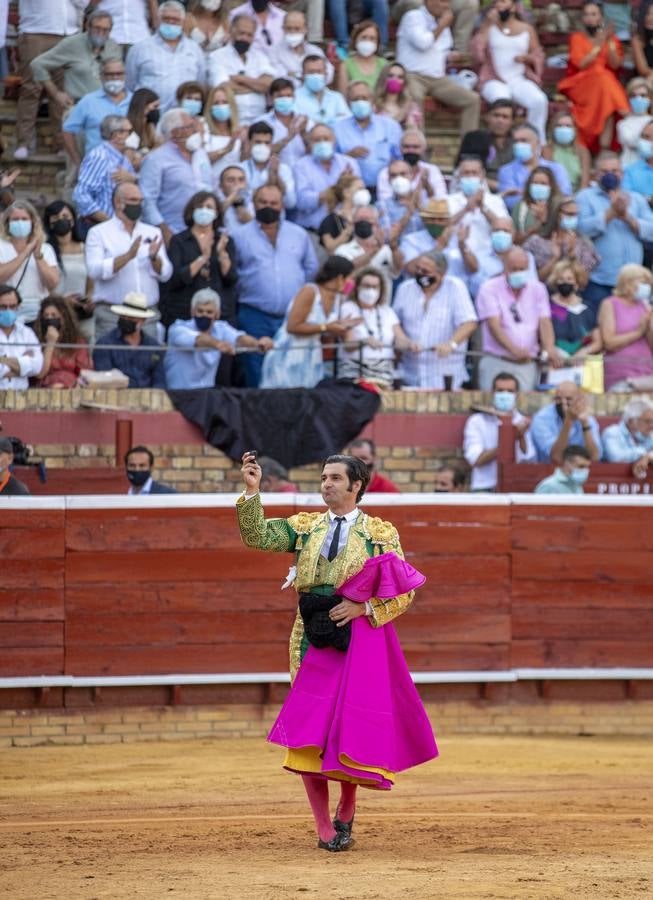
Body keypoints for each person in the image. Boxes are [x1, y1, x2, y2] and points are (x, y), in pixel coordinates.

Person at [236, 451, 437, 851]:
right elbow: (258, 537)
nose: (325, 483)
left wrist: (366, 608)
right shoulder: (306, 526)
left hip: (356, 636)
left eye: (334, 478)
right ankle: (323, 827)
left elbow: (405, 589)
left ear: (355, 485)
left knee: (345, 726)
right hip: (308, 632)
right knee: (309, 728)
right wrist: (252, 492)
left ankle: (346, 804)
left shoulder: (381, 533)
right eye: (323, 476)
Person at [233, 183, 318, 386]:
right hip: (254, 314)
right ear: (254, 203)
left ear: (282, 206)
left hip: (292, 317)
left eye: (274, 203)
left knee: (291, 370)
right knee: (256, 372)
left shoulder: (298, 234)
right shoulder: (239, 236)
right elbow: (232, 274)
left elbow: (310, 268)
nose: (268, 206)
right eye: (263, 202)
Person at [85, 182, 172, 338]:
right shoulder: (98, 233)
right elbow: (94, 270)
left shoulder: (153, 232)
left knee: (147, 360)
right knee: (110, 359)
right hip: (111, 315)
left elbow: (165, 273)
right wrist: (128, 256)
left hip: (147, 315)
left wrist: (154, 258)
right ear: (118, 203)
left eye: (140, 201)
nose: (138, 205)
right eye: (133, 200)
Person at [260, 255, 357, 388]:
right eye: (350, 278)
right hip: (290, 354)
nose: (351, 282)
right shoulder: (310, 291)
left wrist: (339, 328)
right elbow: (292, 326)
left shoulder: (337, 299)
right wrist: (326, 327)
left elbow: (325, 335)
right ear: (340, 278)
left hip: (312, 358)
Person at [577, 153, 653, 314]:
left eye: (615, 170)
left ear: (622, 174)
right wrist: (610, 213)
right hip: (599, 282)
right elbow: (582, 228)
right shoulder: (585, 197)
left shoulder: (636, 199)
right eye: (604, 171)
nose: (610, 175)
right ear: (596, 174)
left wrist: (627, 217)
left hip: (634, 283)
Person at [393, 250, 477, 390]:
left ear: (441, 274)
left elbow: (470, 323)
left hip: (445, 375)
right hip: (411, 374)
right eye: (417, 269)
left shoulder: (455, 287)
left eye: (425, 271)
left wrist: (451, 344)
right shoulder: (405, 289)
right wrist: (406, 342)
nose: (420, 274)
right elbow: (394, 324)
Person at [12, 0, 85, 160]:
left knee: (62, 92)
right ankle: (23, 143)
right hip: (35, 31)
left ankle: (61, 144)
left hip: (67, 33)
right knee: (31, 89)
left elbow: (83, 3)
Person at [396, 0, 481, 137]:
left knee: (472, 99)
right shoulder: (413, 16)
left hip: (437, 78)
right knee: (414, 99)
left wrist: (450, 56)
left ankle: (468, 150)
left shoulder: (441, 22)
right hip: (413, 75)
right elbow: (423, 43)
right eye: (442, 1)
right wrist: (442, 25)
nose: (446, 6)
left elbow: (441, 50)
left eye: (448, 2)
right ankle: (418, 150)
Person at [165, 287, 273, 389]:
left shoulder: (221, 328)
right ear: (192, 312)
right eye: (200, 311)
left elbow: (240, 338)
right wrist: (218, 344)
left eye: (209, 312)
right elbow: (199, 339)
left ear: (217, 314)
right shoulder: (178, 328)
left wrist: (258, 344)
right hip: (179, 394)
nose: (204, 315)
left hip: (207, 396)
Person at [471, 0, 547, 143]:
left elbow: (538, 56)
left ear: (513, 6)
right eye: (497, 2)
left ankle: (536, 142)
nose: (499, 5)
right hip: (492, 79)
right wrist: (486, 26)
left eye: (503, 1)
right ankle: (500, 143)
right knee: (502, 100)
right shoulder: (488, 27)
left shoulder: (527, 29)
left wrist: (527, 58)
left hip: (519, 79)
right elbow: (477, 55)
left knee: (539, 100)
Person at [559, 1, 629, 153]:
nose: (590, 18)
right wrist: (599, 44)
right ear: (582, 19)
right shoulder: (577, 38)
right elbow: (582, 64)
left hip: (603, 87)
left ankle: (604, 148)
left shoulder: (611, 39)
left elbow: (615, 64)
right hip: (581, 83)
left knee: (606, 95)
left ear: (601, 18)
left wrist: (609, 42)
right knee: (602, 75)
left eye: (594, 14)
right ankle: (623, 108)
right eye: (586, 14)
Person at [161, 191, 237, 332]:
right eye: (200, 206)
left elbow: (231, 279)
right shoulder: (179, 241)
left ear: (216, 213)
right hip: (184, 313)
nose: (204, 210)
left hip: (218, 317)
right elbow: (175, 279)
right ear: (192, 211)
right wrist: (203, 258)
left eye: (209, 207)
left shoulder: (225, 240)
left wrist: (222, 255)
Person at [337, 266, 418, 386]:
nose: (371, 290)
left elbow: (400, 338)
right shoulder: (348, 308)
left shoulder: (387, 311)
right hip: (354, 369)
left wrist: (410, 344)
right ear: (357, 287)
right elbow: (348, 344)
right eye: (366, 286)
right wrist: (364, 341)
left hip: (383, 371)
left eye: (375, 287)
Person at [140, 108, 213, 241]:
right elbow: (147, 199)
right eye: (190, 126)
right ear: (176, 132)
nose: (196, 130)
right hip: (173, 231)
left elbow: (209, 186)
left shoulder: (200, 154)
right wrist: (164, 229)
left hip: (204, 229)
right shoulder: (156, 159)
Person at [125, 0, 205, 112]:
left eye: (175, 20)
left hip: (185, 117)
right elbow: (130, 85)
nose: (171, 23)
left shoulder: (195, 50)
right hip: (151, 116)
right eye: (166, 19)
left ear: (183, 22)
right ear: (158, 19)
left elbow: (200, 83)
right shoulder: (139, 49)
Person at [463, 371, 535, 492]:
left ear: (517, 394)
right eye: (500, 390)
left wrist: (520, 437)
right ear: (493, 392)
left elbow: (528, 459)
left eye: (510, 391)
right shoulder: (477, 421)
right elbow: (476, 460)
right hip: (484, 487)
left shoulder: (522, 421)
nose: (505, 394)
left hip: (515, 486)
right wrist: (510, 439)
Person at [61, 57, 132, 172]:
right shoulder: (89, 101)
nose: (115, 77)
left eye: (119, 73)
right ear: (101, 76)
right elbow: (67, 130)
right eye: (110, 74)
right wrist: (78, 162)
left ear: (125, 75)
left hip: (128, 167)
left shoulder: (135, 101)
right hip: (96, 167)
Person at [333, 81, 402, 193]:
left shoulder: (391, 126)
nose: (360, 102)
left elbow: (400, 158)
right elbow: (330, 162)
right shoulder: (337, 129)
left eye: (364, 98)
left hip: (385, 190)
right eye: (355, 99)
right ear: (348, 102)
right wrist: (348, 156)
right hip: (351, 192)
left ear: (372, 100)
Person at [208, 14, 275, 126]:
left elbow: (268, 85)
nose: (245, 38)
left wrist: (240, 79)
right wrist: (256, 86)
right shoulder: (217, 57)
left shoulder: (260, 57)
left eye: (249, 35)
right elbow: (223, 87)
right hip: (231, 121)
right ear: (231, 32)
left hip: (260, 119)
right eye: (241, 33)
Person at [0, 201, 60, 325]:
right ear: (7, 223)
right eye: (15, 219)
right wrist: (26, 252)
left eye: (24, 219)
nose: (20, 222)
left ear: (32, 222)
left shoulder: (46, 249)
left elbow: (53, 283)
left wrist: (38, 256)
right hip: (6, 309)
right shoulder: (1, 246)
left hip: (37, 312)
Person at [293, 124, 362, 232]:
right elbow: (301, 201)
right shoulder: (301, 166)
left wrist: (341, 189)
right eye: (317, 140)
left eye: (326, 138)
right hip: (313, 231)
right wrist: (336, 188)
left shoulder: (349, 163)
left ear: (334, 141)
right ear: (310, 144)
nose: (322, 143)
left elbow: (358, 196)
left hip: (344, 230)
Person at [42, 201, 93, 341]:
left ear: (73, 220)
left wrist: (89, 298)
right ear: (49, 222)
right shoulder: (45, 250)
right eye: (56, 217)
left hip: (82, 314)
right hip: (55, 313)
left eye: (65, 216)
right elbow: (44, 283)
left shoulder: (85, 247)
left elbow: (91, 278)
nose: (61, 220)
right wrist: (64, 301)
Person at [598, 264, 653, 392]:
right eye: (643, 282)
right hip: (620, 374)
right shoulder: (610, 304)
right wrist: (639, 332)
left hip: (647, 373)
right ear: (627, 282)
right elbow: (609, 343)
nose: (647, 287)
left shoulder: (646, 307)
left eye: (648, 283)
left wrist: (649, 328)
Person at [73, 115, 136, 226]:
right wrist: (108, 221)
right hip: (99, 225)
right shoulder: (99, 156)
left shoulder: (123, 157)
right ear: (117, 134)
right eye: (129, 131)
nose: (133, 135)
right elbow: (81, 194)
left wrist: (132, 179)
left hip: (120, 225)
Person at [93, 291, 166, 388]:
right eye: (123, 316)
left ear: (142, 321)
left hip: (149, 399)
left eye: (131, 317)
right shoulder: (104, 344)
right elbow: (105, 381)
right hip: (115, 399)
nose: (126, 320)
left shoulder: (153, 346)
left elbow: (159, 381)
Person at [522, 196, 599, 285]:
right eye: (569, 214)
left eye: (576, 214)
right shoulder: (536, 242)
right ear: (557, 214)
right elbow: (535, 279)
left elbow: (583, 282)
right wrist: (554, 258)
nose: (573, 218)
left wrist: (572, 255)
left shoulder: (583, 243)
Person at [498, 123, 572, 212]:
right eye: (516, 141)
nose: (519, 144)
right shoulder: (506, 171)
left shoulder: (557, 169)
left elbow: (565, 195)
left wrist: (525, 195)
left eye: (524, 141)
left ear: (538, 143)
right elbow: (510, 202)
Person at [530, 381, 602, 464]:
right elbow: (557, 457)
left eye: (568, 399)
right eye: (558, 399)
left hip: (581, 471)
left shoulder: (588, 419)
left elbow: (595, 457)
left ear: (579, 399)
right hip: (548, 472)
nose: (563, 403)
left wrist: (585, 424)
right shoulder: (542, 419)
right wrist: (568, 421)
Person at [33, 295, 92, 388]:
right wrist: (50, 343)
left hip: (73, 388)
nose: (49, 319)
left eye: (54, 315)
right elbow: (40, 373)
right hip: (45, 388)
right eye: (46, 315)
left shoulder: (77, 341)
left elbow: (85, 372)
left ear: (64, 318)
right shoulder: (35, 340)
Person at [376, 128, 447, 204]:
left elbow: (441, 200)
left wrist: (427, 185)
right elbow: (386, 203)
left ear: (423, 149)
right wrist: (419, 187)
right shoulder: (387, 172)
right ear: (400, 148)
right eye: (406, 147)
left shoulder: (432, 170)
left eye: (415, 147)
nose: (411, 150)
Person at [548, 260, 601, 358]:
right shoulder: (547, 307)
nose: (565, 283)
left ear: (576, 283)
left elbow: (597, 341)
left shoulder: (588, 308)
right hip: (554, 362)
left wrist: (582, 353)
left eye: (569, 279)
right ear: (555, 282)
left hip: (582, 363)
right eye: (561, 279)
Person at [241, 121, 297, 210]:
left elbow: (290, 203)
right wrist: (269, 183)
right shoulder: (240, 169)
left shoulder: (283, 169)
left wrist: (277, 177)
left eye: (267, 143)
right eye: (258, 142)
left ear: (272, 144)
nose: (262, 146)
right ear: (249, 142)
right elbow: (242, 201)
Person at [259, 78, 312, 171]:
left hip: (304, 173)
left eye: (288, 96)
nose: (285, 99)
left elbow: (315, 153)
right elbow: (261, 154)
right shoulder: (261, 122)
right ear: (271, 98)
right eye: (280, 96)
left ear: (294, 97)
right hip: (276, 174)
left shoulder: (306, 121)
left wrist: (304, 134)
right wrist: (288, 138)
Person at [271, 10, 331, 88]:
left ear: (305, 29)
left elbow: (329, 74)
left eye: (297, 29)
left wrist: (294, 74)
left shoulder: (315, 51)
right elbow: (280, 79)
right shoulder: (275, 51)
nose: (292, 32)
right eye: (289, 28)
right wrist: (311, 76)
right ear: (283, 29)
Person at [0, 284, 43, 390]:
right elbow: (30, 366)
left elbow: (37, 367)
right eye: (3, 307)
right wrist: (23, 363)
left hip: (20, 399)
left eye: (13, 306)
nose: (8, 310)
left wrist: (3, 360)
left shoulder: (26, 333)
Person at [317, 172, 370, 254]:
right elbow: (329, 247)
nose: (364, 192)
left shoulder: (370, 215)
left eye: (364, 188)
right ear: (347, 193)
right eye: (360, 189)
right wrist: (348, 230)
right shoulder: (331, 220)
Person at [294, 55, 351, 127]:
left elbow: (347, 121)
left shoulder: (336, 97)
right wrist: (333, 121)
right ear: (303, 74)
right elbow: (298, 123)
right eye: (311, 72)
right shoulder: (294, 97)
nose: (315, 75)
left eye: (319, 71)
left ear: (326, 73)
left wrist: (312, 122)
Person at [541, 111, 591, 194]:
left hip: (576, 196)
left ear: (574, 129)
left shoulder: (582, 152)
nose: (564, 129)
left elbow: (584, 182)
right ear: (553, 129)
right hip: (553, 195)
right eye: (559, 126)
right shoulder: (546, 150)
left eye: (568, 126)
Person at [602, 397, 653, 478]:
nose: (651, 426)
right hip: (611, 482)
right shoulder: (613, 432)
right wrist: (645, 455)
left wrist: (648, 457)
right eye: (647, 421)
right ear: (631, 421)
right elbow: (616, 457)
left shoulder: (650, 435)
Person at [335, 19, 386, 95]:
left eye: (372, 38)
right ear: (355, 40)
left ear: (377, 42)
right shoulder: (346, 65)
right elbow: (343, 96)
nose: (368, 41)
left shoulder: (384, 65)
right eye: (364, 37)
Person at [511, 166, 562, 242]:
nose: (539, 186)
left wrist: (545, 220)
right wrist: (537, 225)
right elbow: (514, 239)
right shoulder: (520, 206)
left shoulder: (559, 206)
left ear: (551, 186)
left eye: (543, 183)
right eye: (535, 183)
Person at [203, 83, 243, 176]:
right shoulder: (204, 128)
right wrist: (226, 149)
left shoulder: (237, 131)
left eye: (225, 102)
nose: (221, 106)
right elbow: (201, 160)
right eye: (216, 103)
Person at [617, 79, 653, 170]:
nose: (638, 99)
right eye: (634, 95)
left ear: (650, 99)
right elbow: (630, 141)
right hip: (627, 168)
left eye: (643, 95)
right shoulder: (623, 124)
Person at [373, 61, 421, 128]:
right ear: (383, 78)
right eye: (390, 76)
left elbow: (412, 132)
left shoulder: (411, 106)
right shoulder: (373, 105)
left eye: (400, 77)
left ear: (404, 82)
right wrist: (402, 114)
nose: (395, 80)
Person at [124, 88, 162, 171]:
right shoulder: (129, 132)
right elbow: (130, 166)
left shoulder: (150, 127)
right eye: (155, 106)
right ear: (143, 106)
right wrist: (155, 149)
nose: (157, 110)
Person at [218, 164, 255, 234]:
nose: (237, 183)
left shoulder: (254, 200)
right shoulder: (214, 201)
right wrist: (233, 195)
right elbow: (215, 215)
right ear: (221, 186)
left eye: (241, 180)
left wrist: (239, 203)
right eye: (231, 180)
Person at [623, 120, 653, 201]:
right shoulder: (629, 171)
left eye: (647, 137)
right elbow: (628, 200)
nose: (642, 141)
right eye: (642, 136)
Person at [632, 1, 653, 82]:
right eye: (647, 14)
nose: (650, 18)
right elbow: (643, 71)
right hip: (644, 83)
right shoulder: (638, 39)